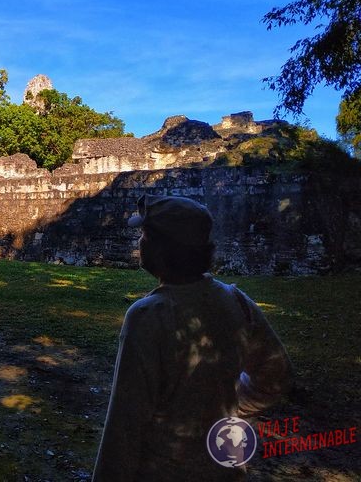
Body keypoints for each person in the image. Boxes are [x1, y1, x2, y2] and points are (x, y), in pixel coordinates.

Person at [92, 195, 293, 481]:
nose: (139, 241)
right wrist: (227, 407)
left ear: (163, 247)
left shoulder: (148, 316)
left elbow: (124, 425)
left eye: (145, 234)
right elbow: (276, 377)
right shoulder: (236, 301)